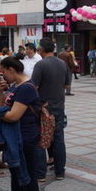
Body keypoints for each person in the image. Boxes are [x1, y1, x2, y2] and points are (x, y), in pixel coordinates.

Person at [0, 57, 42, 191]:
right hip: (15, 138)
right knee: (16, 173)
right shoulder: (15, 87)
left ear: (12, 70)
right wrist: (1, 94)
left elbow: (13, 115)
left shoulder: (26, 88)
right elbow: (5, 107)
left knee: (28, 176)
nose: (3, 76)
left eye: (4, 72)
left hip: (26, 138)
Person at [31, 38, 70, 181]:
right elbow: (66, 85)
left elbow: (33, 87)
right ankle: (60, 172)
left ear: (41, 49)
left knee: (42, 139)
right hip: (59, 106)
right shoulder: (62, 64)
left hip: (44, 108)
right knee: (59, 139)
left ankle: (41, 174)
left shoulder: (40, 65)